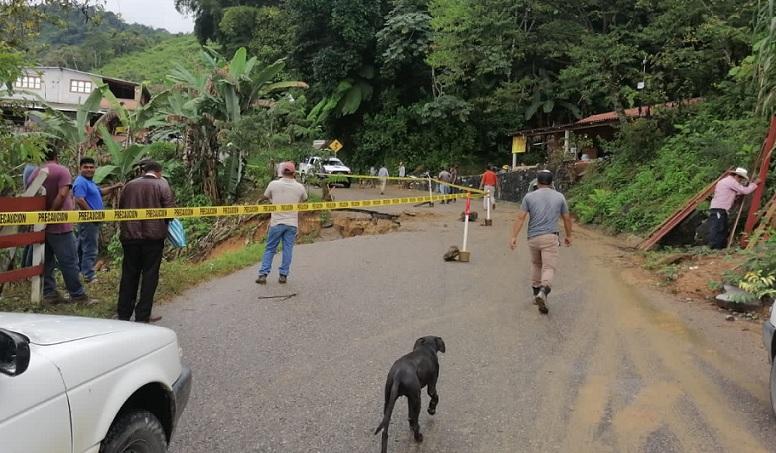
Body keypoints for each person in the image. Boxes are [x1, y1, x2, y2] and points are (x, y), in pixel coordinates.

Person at [30, 145, 91, 305]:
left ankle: (49, 294)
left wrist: (43, 218)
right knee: (69, 261)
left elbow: (30, 196)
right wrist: (51, 213)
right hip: (59, 225)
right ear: (57, 155)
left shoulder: (35, 172)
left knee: (47, 261)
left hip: (40, 226)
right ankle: (77, 295)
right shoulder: (61, 171)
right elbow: (63, 193)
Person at [117, 160, 175, 323]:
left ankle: (123, 314)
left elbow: (121, 209)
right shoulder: (162, 185)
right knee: (150, 276)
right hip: (153, 239)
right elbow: (169, 213)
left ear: (145, 171)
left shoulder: (129, 185)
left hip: (130, 237)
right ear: (159, 171)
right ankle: (143, 315)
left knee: (129, 275)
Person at [509, 170, 572, 315]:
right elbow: (567, 218)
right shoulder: (559, 196)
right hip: (550, 237)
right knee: (548, 267)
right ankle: (543, 291)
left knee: (536, 264)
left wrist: (513, 236)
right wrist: (569, 235)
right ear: (552, 183)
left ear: (537, 182)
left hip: (533, 237)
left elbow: (520, 218)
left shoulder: (529, 197)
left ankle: (536, 294)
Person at [256, 162, 308, 284]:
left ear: (282, 173)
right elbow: (305, 199)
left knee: (270, 249)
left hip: (276, 223)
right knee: (287, 249)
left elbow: (265, 196)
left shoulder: (273, 184)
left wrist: (269, 200)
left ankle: (263, 274)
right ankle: (283, 275)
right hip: (292, 224)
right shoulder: (300, 187)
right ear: (294, 173)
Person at [72, 157, 122, 283]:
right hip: (89, 221)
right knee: (90, 248)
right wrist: (92, 214)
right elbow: (79, 199)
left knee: (81, 246)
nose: (89, 169)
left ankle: (76, 273)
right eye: (86, 167)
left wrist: (114, 187)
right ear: (80, 168)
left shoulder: (89, 182)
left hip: (92, 220)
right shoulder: (80, 182)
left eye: (91, 167)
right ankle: (89, 275)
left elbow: (99, 192)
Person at [707, 167, 759, 249]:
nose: (740, 181)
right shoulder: (731, 181)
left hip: (720, 209)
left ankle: (719, 249)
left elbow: (737, 192)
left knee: (722, 229)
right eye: (741, 179)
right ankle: (714, 248)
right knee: (718, 229)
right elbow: (745, 191)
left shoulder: (727, 181)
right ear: (737, 176)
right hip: (719, 209)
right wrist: (754, 184)